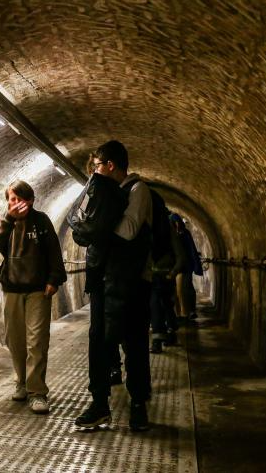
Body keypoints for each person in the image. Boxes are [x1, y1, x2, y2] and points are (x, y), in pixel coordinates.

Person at [73, 140, 154, 432]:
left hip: (132, 282)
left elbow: (129, 230)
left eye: (97, 166)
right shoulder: (102, 193)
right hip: (103, 280)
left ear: (110, 165)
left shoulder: (138, 190)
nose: (94, 171)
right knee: (98, 341)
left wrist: (100, 226)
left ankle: (138, 404)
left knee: (134, 341)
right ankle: (99, 404)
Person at [0, 180, 67, 414]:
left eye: (19, 199)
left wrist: (54, 280)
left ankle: (37, 392)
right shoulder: (5, 221)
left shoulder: (41, 221)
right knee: (15, 341)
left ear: (30, 200)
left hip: (38, 290)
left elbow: (54, 251)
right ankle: (21, 381)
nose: (15, 203)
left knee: (37, 341)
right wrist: (8, 218)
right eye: (11, 199)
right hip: (12, 288)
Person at [149, 212, 187, 353]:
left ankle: (162, 337)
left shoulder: (168, 233)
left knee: (161, 305)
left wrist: (172, 273)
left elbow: (180, 256)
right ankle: (167, 333)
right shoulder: (150, 231)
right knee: (160, 305)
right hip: (155, 277)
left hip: (164, 276)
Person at [172, 214, 203, 320]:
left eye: (178, 222)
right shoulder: (173, 234)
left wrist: (195, 265)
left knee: (187, 287)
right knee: (177, 290)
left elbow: (191, 249)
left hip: (186, 265)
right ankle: (180, 312)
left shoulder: (185, 233)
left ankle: (190, 310)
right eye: (175, 223)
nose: (177, 225)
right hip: (176, 265)